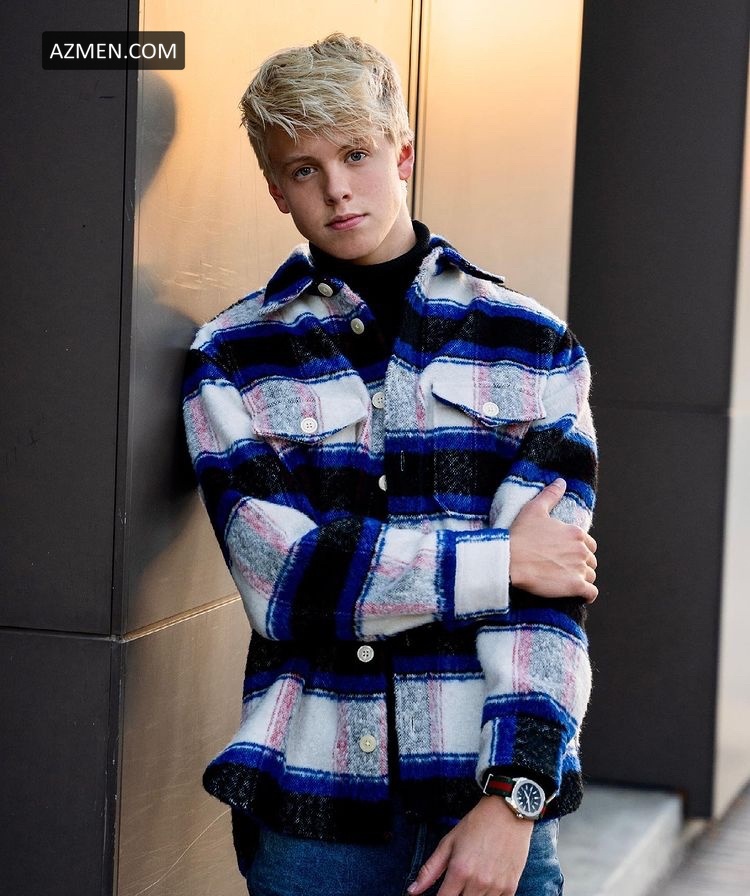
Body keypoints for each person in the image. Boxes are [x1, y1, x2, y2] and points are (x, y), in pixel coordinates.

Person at [182, 33, 598, 896]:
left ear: (401, 152)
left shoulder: (531, 342)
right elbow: (289, 580)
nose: (336, 189)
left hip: (486, 800)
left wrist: (516, 797)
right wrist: (498, 560)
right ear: (275, 189)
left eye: (357, 154)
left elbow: (549, 601)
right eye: (304, 169)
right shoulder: (232, 357)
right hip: (312, 812)